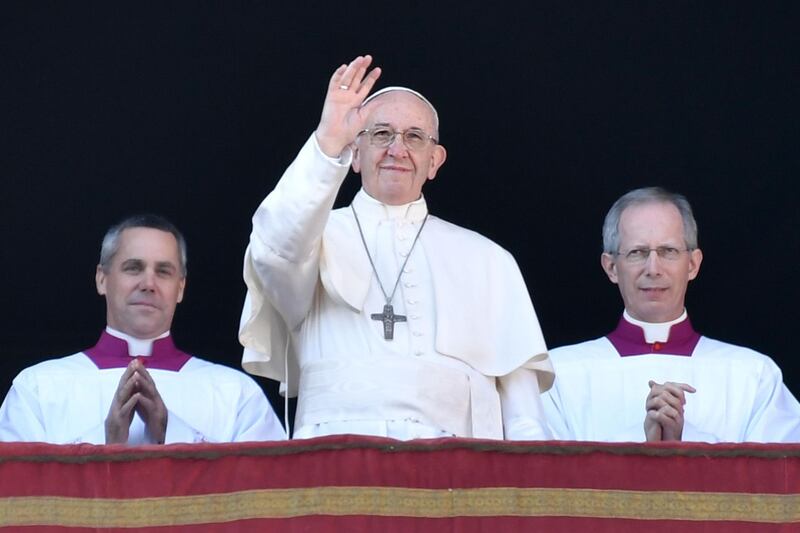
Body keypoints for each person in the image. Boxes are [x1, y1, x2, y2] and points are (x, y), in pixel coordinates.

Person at [238, 55, 553, 440]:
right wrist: (326, 142)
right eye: (381, 134)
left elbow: (525, 420)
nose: (397, 149)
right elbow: (273, 249)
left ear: (434, 161)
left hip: (454, 471)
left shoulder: (489, 260)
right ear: (355, 152)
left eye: (414, 137)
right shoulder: (313, 238)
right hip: (332, 461)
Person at [543, 187, 800, 442]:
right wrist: (646, 447)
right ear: (611, 267)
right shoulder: (558, 374)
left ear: (692, 264)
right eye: (637, 252)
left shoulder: (752, 375)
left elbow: (781, 476)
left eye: (668, 251)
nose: (653, 269)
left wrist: (682, 446)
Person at [0, 215, 286, 445]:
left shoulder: (235, 393)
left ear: (181, 288)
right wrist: (105, 443)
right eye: (133, 268)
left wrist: (170, 433)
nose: (148, 283)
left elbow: (268, 497)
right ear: (102, 279)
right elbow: (16, 496)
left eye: (163, 271)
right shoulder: (38, 388)